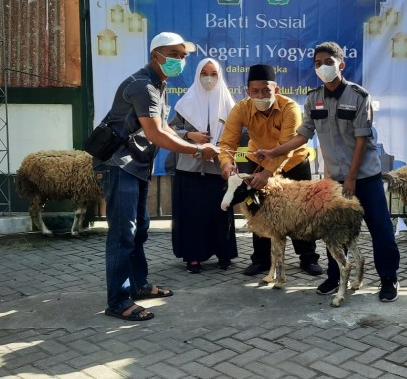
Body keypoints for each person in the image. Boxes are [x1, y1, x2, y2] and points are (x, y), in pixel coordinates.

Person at [255, 41, 401, 302]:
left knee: (380, 228)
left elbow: (361, 140)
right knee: (334, 229)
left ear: (341, 65)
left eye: (328, 63)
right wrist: (274, 152)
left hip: (364, 178)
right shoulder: (313, 98)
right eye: (318, 63)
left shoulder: (359, 97)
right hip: (334, 179)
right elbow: (303, 135)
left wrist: (353, 178)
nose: (322, 67)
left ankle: (388, 278)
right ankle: (335, 277)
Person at [93, 32, 220, 321]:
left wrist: (190, 138)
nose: (181, 60)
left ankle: (138, 285)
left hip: (136, 167)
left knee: (140, 230)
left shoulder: (157, 84)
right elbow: (156, 133)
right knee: (122, 234)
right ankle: (118, 299)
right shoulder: (141, 86)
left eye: (183, 55)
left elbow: (165, 127)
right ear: (156, 56)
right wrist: (198, 149)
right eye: (174, 54)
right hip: (119, 165)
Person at [218, 64, 323, 277]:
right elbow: (227, 143)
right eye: (255, 91)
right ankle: (261, 260)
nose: (261, 95)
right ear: (248, 92)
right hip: (256, 161)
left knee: (301, 212)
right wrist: (226, 163)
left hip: (294, 163)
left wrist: (267, 174)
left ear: (276, 89)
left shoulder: (290, 107)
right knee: (259, 210)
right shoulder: (241, 108)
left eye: (266, 90)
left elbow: (286, 146)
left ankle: (308, 258)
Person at [169, 58, 238, 273]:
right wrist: (190, 134)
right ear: (198, 75)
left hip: (219, 169)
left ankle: (224, 255)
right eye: (204, 73)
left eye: (214, 74)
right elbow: (169, 130)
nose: (209, 78)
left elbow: (236, 134)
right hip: (190, 167)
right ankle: (193, 257)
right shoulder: (185, 103)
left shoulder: (229, 104)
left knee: (220, 212)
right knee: (192, 214)